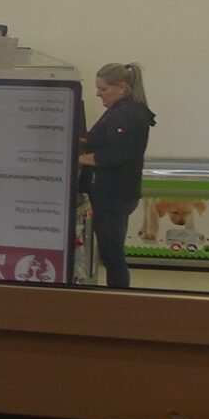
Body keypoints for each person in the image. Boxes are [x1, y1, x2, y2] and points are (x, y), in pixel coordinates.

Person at [79, 62, 156, 289]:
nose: (98, 94)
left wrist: (76, 159)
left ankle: (118, 298)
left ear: (121, 87)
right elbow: (101, 141)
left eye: (103, 89)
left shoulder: (124, 115)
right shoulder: (127, 110)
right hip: (120, 192)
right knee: (112, 252)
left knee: (112, 255)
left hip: (113, 194)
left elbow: (115, 154)